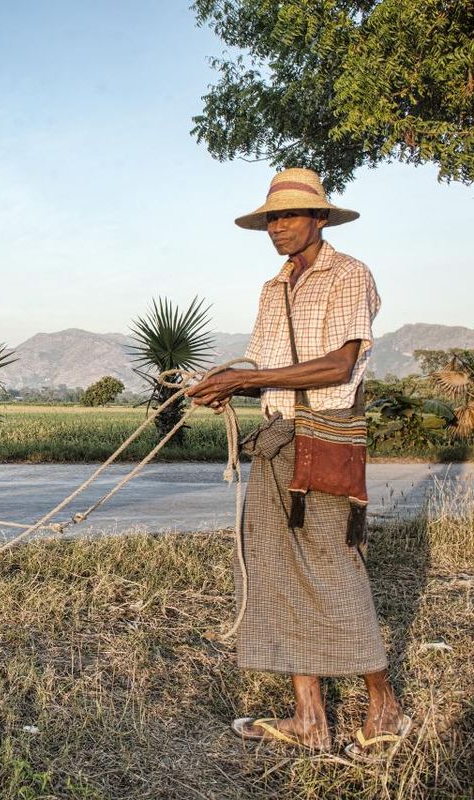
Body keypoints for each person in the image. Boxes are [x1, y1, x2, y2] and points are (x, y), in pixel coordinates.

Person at [186, 168, 411, 761]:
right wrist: (221, 386)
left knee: (335, 571)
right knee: (273, 570)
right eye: (270, 219)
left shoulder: (350, 275)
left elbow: (339, 365)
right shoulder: (272, 288)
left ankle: (384, 705)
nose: (277, 228)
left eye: (288, 217)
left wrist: (250, 377)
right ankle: (310, 717)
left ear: (320, 219)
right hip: (278, 435)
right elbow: (261, 361)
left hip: (329, 435)